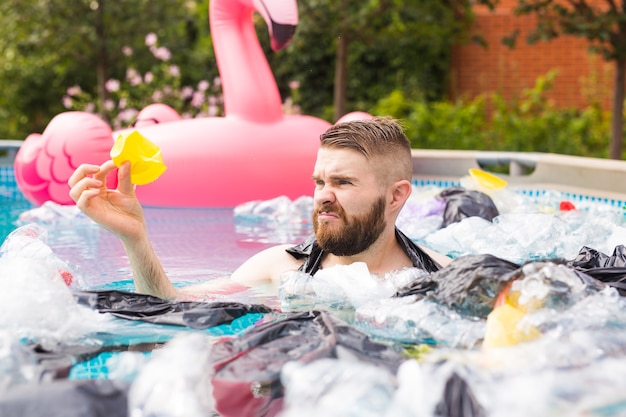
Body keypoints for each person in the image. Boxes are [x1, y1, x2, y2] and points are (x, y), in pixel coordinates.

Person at [68, 117, 451, 300]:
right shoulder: (281, 268)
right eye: (319, 181)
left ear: (397, 196)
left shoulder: (442, 277)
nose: (322, 195)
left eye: (343, 182)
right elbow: (171, 306)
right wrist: (135, 238)